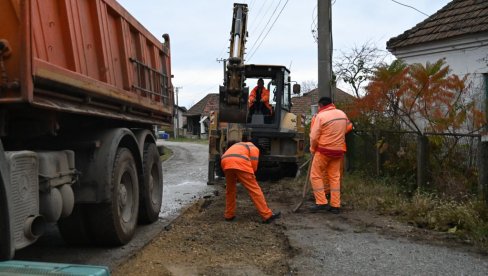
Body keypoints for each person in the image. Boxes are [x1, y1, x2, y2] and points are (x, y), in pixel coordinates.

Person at [309, 97, 352, 214]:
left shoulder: (320, 116)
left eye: (318, 107)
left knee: (315, 175)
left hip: (324, 151)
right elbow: (349, 126)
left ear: (321, 105)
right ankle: (335, 205)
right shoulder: (342, 114)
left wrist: (312, 149)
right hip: (338, 151)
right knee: (335, 177)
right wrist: (337, 134)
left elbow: (313, 136)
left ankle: (321, 202)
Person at [220, 139, 280, 223]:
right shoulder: (254, 148)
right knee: (255, 190)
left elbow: (232, 161)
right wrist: (251, 176)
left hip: (225, 162)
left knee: (230, 190)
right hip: (239, 162)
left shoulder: (239, 146)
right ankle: (267, 216)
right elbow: (254, 165)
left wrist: (238, 176)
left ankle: (229, 215)